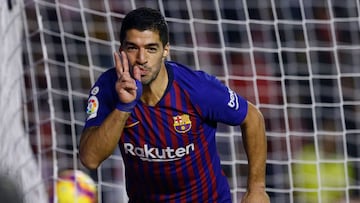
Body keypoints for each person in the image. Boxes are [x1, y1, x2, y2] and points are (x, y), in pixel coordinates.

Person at [79, 7, 269, 203]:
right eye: (133, 48)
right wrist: (123, 107)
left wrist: (257, 188)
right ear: (121, 50)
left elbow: (253, 117)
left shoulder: (197, 89)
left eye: (151, 48)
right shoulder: (108, 87)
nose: (142, 59)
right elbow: (89, 159)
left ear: (165, 50)